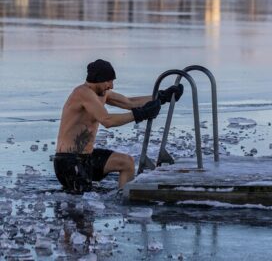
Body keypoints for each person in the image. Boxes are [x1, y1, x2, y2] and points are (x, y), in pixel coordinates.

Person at [54, 59, 183, 193]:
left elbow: (130, 102)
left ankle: (124, 200)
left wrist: (161, 96)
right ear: (98, 79)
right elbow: (107, 120)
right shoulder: (82, 93)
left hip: (88, 157)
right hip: (68, 162)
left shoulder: (103, 94)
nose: (111, 86)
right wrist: (140, 114)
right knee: (83, 203)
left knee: (126, 162)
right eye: (108, 81)